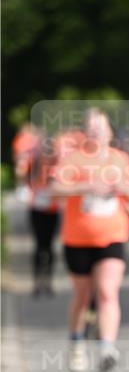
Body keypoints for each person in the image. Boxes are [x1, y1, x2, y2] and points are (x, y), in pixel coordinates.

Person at [51, 109, 129, 372]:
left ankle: (106, 347)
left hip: (113, 234)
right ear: (85, 133)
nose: (97, 133)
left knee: (107, 291)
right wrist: (86, 186)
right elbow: (55, 190)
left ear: (110, 132)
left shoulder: (120, 159)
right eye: (92, 128)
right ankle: (77, 345)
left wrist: (123, 188)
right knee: (82, 295)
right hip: (77, 237)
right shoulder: (73, 159)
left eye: (101, 128)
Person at [13, 124, 60, 297]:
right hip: (37, 208)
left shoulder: (56, 163)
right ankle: (37, 282)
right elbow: (21, 172)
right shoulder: (33, 162)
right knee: (39, 245)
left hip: (53, 209)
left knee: (49, 246)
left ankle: (48, 281)